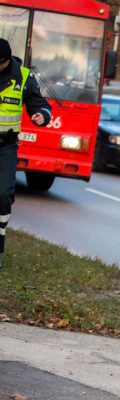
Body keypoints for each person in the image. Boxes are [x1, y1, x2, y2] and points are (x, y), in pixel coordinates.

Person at [0, 38, 51, 270]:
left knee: (3, 195)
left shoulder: (23, 76)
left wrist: (42, 115)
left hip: (6, 146)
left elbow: (39, 103)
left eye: (1, 63)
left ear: (7, 59)